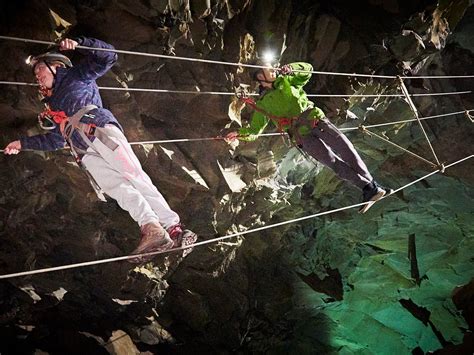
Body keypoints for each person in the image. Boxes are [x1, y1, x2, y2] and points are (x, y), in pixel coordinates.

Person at [3, 37, 197, 262]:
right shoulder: (54, 104)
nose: (37, 75)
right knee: (119, 189)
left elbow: (108, 56)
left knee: (134, 176)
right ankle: (151, 227)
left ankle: (174, 228)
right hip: (84, 152)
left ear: (56, 66)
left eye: (40, 69)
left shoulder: (76, 76)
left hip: (100, 131)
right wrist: (22, 144)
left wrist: (80, 43)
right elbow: (56, 140)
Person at [226, 62, 392, 213]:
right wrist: (239, 134)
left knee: (346, 149)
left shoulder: (287, 80)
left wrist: (292, 68)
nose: (274, 68)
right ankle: (370, 188)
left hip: (316, 121)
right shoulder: (262, 104)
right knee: (332, 163)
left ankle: (372, 188)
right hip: (302, 137)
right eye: (269, 68)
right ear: (261, 76)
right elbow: (255, 129)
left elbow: (307, 71)